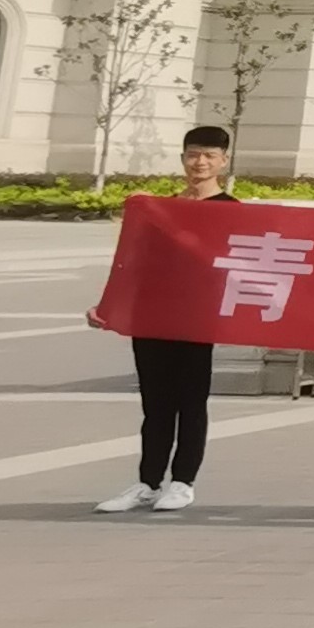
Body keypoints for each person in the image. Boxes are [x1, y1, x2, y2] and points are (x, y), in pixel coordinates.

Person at [89, 126, 236, 515]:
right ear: (183, 158)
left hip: (196, 320)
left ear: (223, 161)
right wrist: (108, 305)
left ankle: (183, 482)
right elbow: (134, 263)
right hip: (152, 317)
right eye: (193, 154)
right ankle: (148, 482)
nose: (200, 162)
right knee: (155, 404)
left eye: (209, 155)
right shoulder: (160, 209)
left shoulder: (232, 210)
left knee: (191, 401)